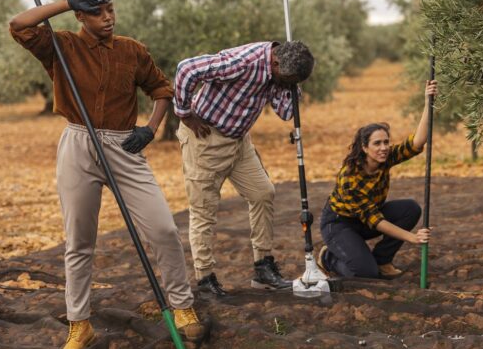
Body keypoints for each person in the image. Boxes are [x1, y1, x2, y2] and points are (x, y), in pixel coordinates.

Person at [8, 0, 203, 349]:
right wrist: (66, 3)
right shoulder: (59, 47)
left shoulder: (132, 51)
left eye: (110, 8)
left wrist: (150, 129)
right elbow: (18, 25)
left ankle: (183, 307)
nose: (107, 17)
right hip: (78, 144)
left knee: (163, 229)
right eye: (97, 11)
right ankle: (80, 324)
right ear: (81, 15)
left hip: (123, 146)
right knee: (79, 240)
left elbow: (162, 90)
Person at [174, 40, 314, 295]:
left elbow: (285, 113)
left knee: (263, 193)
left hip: (239, 143)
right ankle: (205, 279)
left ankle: (263, 267)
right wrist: (184, 113)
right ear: (275, 63)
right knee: (204, 212)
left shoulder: (280, 72)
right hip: (206, 139)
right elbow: (186, 68)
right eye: (287, 79)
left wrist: (291, 88)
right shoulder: (241, 63)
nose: (286, 84)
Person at [318, 80, 437, 279]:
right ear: (364, 148)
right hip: (340, 224)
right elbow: (377, 221)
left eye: (386, 142)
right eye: (377, 143)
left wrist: (428, 102)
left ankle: (382, 260)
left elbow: (417, 142)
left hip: (366, 219)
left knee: (410, 208)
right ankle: (328, 258)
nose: (383, 148)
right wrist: (413, 238)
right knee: (364, 273)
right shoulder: (350, 177)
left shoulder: (385, 158)